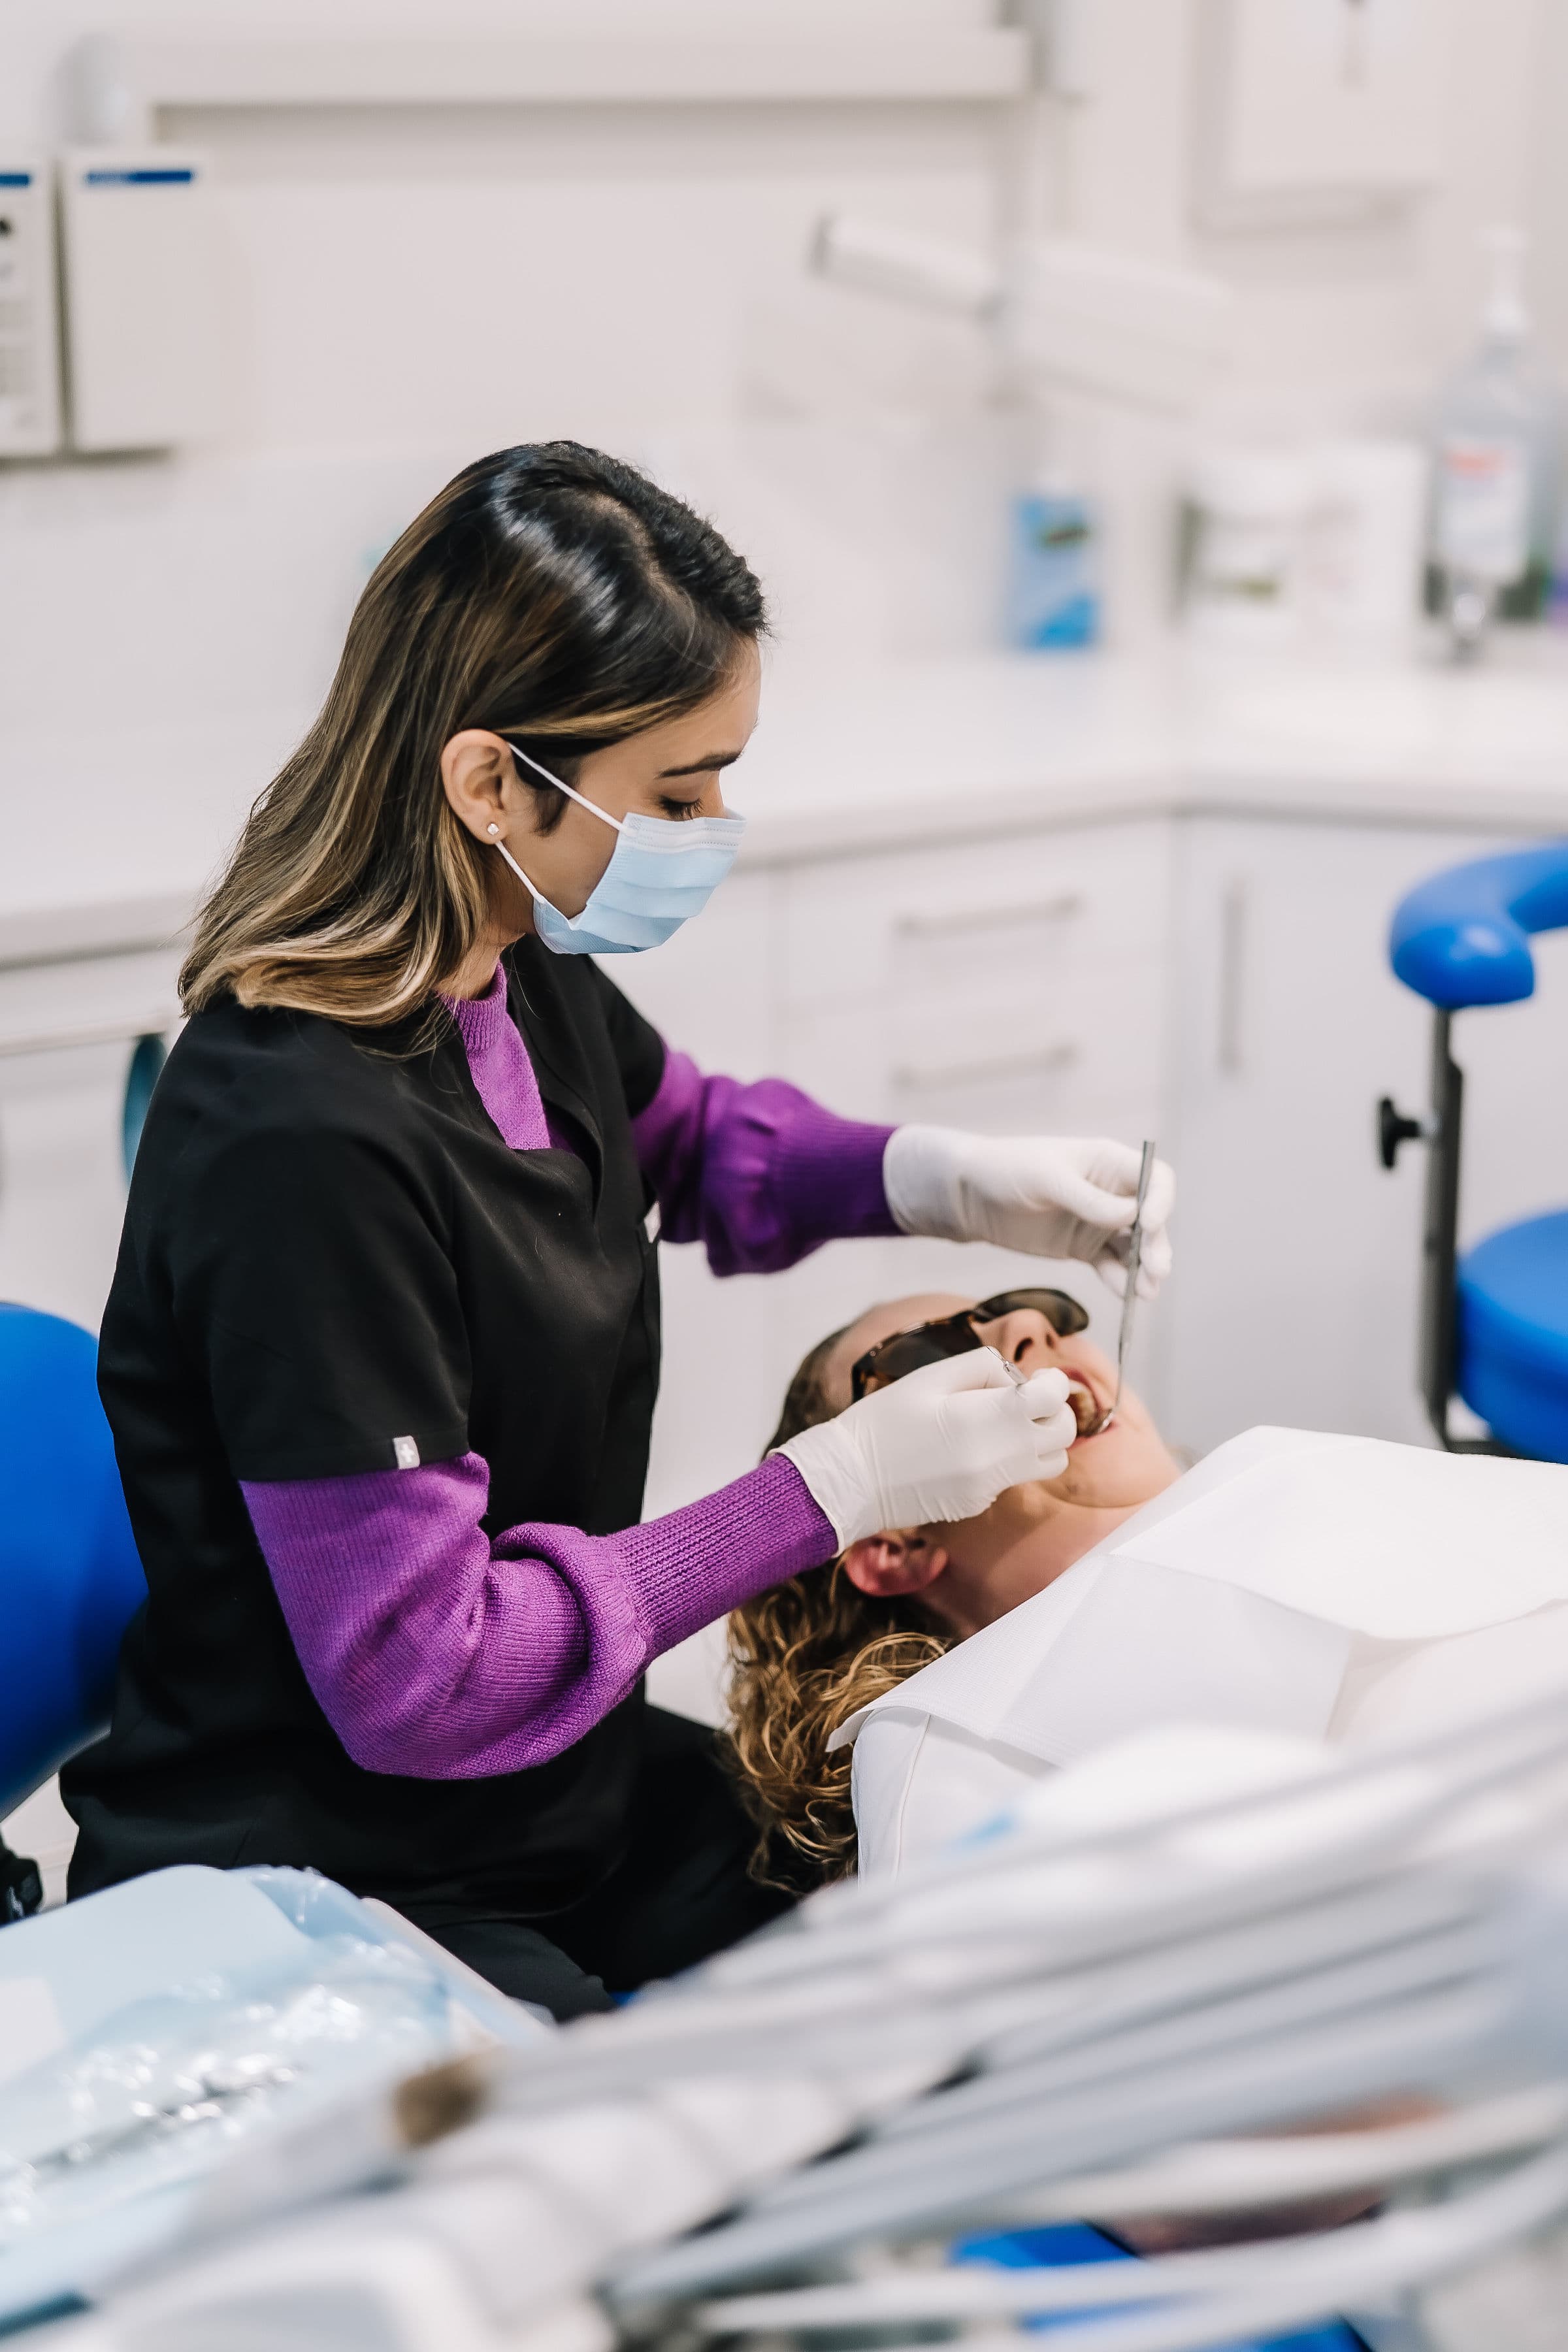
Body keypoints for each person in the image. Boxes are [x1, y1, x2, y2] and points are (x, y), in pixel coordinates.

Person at [64, 442, 1175, 2021]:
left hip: (552, 1795)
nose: (715, 823)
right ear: (487, 779)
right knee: (670, 2154)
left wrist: (945, 1177)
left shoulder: (499, 966)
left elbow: (689, 1140)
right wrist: (822, 1487)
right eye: (676, 790)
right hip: (321, 1866)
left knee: (941, 1962)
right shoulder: (295, 1142)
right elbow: (421, 1682)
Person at [730, 1288, 1568, 1885]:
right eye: (931, 1357)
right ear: (895, 1542)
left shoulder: (1297, 1464)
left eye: (1037, 1307)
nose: (1032, 1326)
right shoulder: (949, 1757)